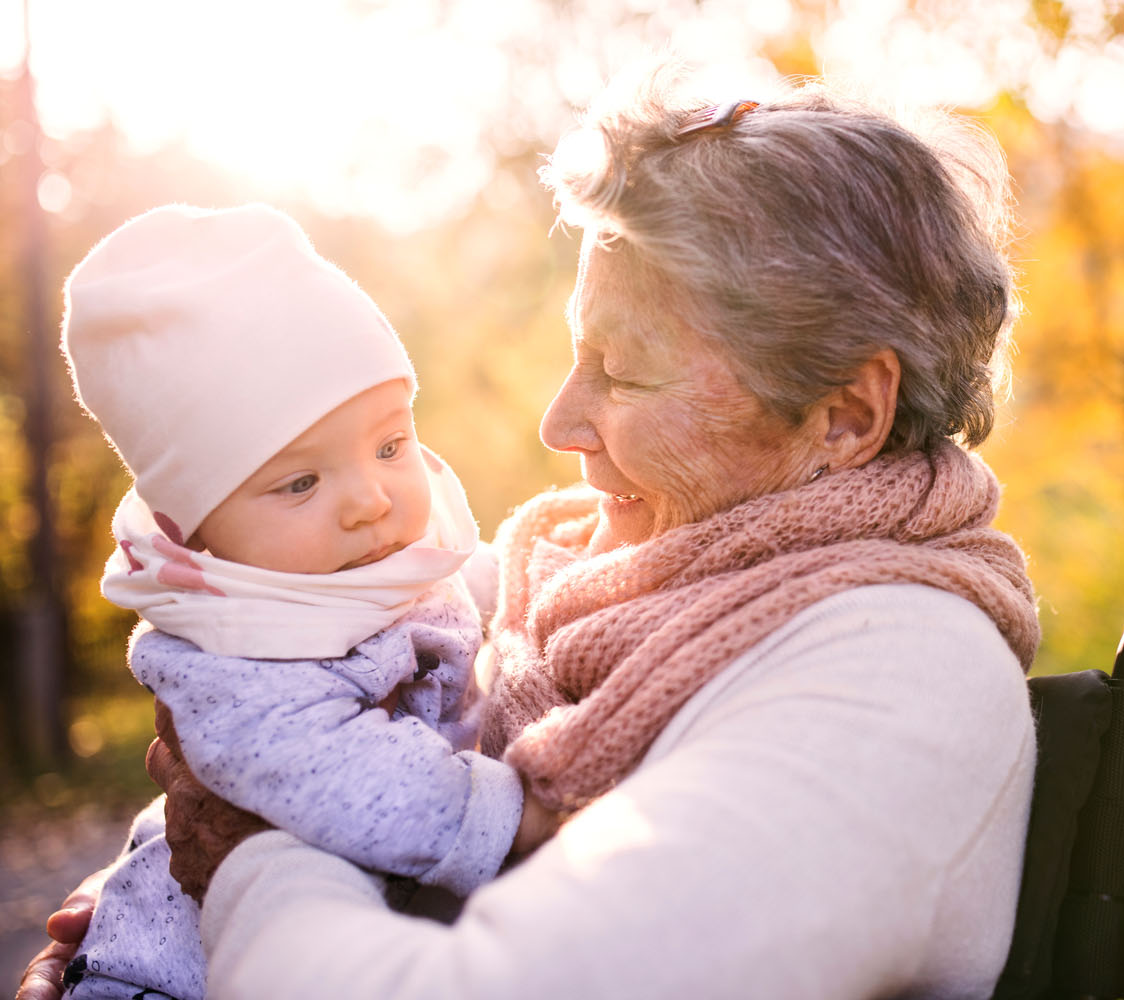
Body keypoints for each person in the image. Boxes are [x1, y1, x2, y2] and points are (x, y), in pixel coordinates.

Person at [21, 69, 1042, 1000]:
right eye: (574, 356)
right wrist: (146, 914)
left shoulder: (895, 687)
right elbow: (287, 694)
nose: (559, 422)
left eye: (625, 372)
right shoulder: (572, 578)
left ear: (847, 416)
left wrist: (244, 862)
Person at [44, 204, 546, 1000]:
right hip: (173, 976)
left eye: (390, 445)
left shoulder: (361, 562)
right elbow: (331, 768)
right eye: (301, 482)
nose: (370, 500)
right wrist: (505, 816)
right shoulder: (234, 650)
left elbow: (478, 592)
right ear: (195, 528)